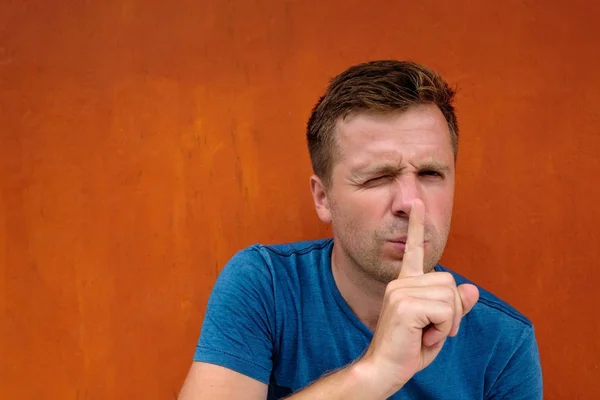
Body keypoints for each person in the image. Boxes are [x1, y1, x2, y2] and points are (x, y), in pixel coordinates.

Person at [178, 60, 543, 399]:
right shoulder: (266, 285)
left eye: (431, 174)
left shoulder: (503, 342)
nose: (410, 202)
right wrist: (374, 373)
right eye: (378, 177)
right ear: (323, 198)